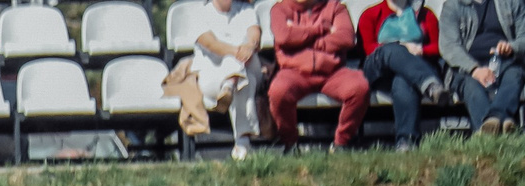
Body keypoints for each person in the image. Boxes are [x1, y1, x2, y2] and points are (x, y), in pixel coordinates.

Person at [267, 0, 372, 148]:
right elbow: (284, 37)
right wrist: (320, 29)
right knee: (278, 92)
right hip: (294, 72)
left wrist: (306, 40)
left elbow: (347, 38)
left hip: (333, 72)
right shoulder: (280, 9)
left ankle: (341, 143)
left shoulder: (335, 7)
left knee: (359, 87)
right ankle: (290, 143)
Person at [167, 0, 267, 154]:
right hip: (212, 76)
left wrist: (250, 46)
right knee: (244, 79)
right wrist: (237, 51)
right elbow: (212, 44)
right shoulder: (199, 15)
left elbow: (255, 35)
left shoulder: (246, 10)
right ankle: (243, 142)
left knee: (245, 71)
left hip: (247, 69)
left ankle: (230, 85)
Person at [359, 0, 448, 148]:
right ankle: (430, 85)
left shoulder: (425, 14)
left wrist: (420, 50)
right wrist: (402, 47)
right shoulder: (371, 14)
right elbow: (368, 48)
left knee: (403, 81)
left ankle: (406, 142)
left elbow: (438, 47)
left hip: (413, 72)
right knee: (392, 49)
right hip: (379, 71)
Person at [442, 0, 525, 132]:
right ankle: (500, 125)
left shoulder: (512, 2)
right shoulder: (453, 5)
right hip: (465, 68)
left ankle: (494, 120)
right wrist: (474, 69)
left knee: (515, 74)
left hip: (504, 62)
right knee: (471, 87)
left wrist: (511, 47)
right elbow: (449, 47)